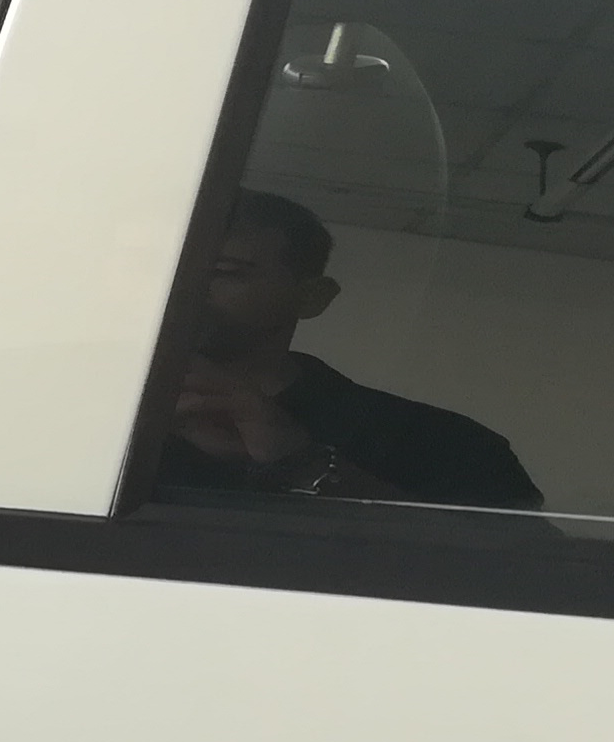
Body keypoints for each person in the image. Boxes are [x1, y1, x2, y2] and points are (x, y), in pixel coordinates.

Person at [161, 189, 541, 509]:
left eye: (224, 272)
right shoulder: (125, 416)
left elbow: (523, 566)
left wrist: (305, 465)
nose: (180, 288)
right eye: (161, 267)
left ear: (312, 297)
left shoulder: (447, 447)